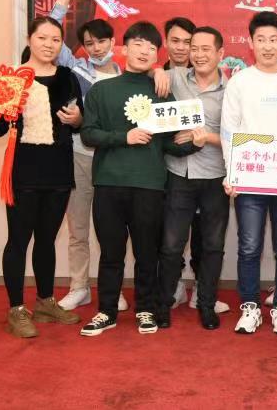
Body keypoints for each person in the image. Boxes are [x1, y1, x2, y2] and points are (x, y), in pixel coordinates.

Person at [49, 0, 169, 312]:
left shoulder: (132, 74)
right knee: (79, 229)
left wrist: (159, 69)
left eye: (102, 41)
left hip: (122, 166)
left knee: (121, 238)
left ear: (115, 44)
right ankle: (79, 287)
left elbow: (149, 76)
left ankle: (114, 291)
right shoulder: (75, 68)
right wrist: (65, 0)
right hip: (81, 156)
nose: (96, 48)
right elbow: (51, 37)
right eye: (89, 43)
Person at [79, 21, 194, 337]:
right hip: (109, 183)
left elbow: (169, 144)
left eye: (152, 47)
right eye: (139, 44)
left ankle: (145, 308)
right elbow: (88, 134)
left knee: (147, 254)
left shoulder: (163, 92)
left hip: (150, 185)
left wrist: (193, 142)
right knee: (111, 253)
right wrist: (123, 137)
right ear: (124, 48)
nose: (145, 51)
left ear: (157, 55)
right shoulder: (102, 90)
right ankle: (106, 311)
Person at [0, 16, 82, 338]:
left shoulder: (68, 77)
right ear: (29, 39)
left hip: (59, 170)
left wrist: (77, 120)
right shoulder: (12, 78)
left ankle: (46, 302)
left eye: (55, 39)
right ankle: (16, 309)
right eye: (42, 38)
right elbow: (0, 129)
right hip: (24, 170)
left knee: (47, 240)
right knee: (18, 241)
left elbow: (80, 121)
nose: (49, 44)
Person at [220, 11, 277, 335]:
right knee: (249, 247)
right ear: (251, 43)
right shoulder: (240, 81)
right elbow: (229, 131)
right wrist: (231, 173)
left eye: (274, 39)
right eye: (261, 39)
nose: (268, 46)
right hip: (250, 179)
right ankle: (249, 307)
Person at [158, 26, 230, 330]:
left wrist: (207, 138)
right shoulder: (175, 77)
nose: (198, 55)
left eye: (205, 49)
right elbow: (144, 76)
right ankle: (163, 304)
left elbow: (241, 137)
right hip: (179, 173)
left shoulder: (232, 90)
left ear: (220, 53)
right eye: (194, 48)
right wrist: (155, 71)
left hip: (215, 176)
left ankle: (206, 304)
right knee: (171, 244)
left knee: (213, 245)